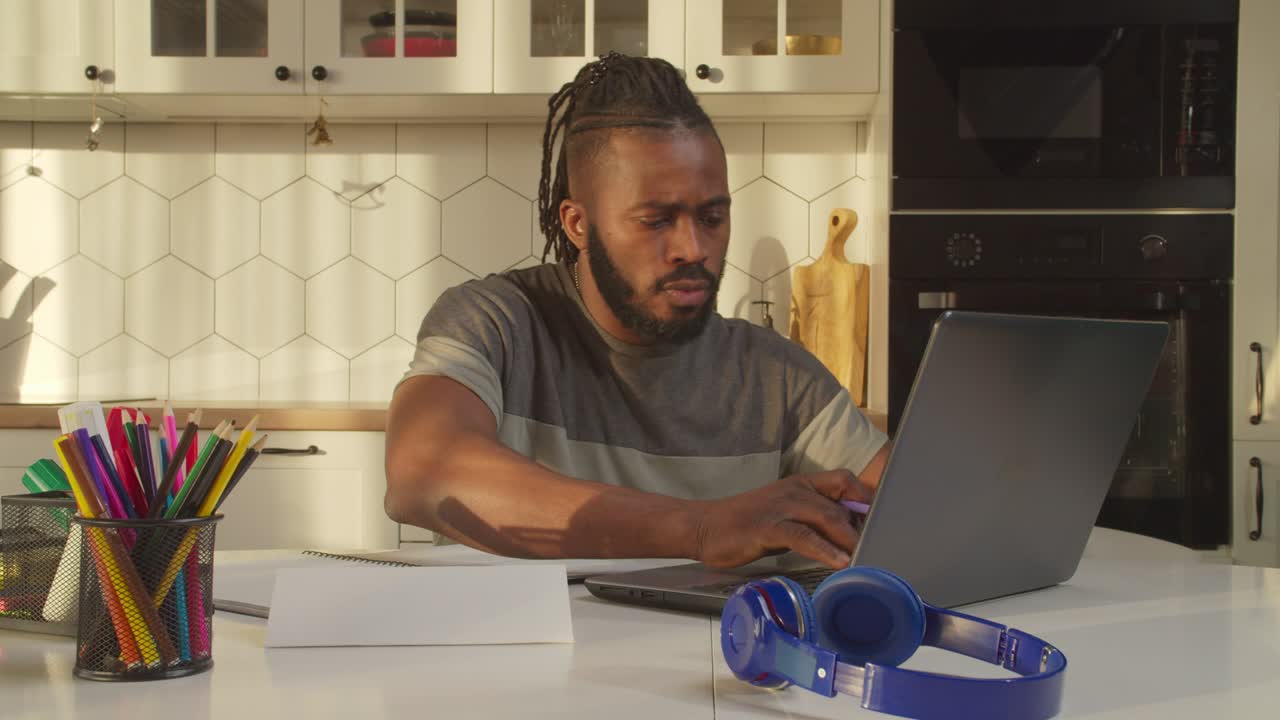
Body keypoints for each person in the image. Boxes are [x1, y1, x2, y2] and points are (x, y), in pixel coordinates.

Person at [385, 52, 891, 571]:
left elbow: (912, 508)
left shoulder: (778, 377)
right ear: (577, 224)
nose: (693, 248)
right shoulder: (497, 323)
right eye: (655, 220)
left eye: (712, 218)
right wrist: (702, 529)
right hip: (524, 624)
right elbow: (422, 475)